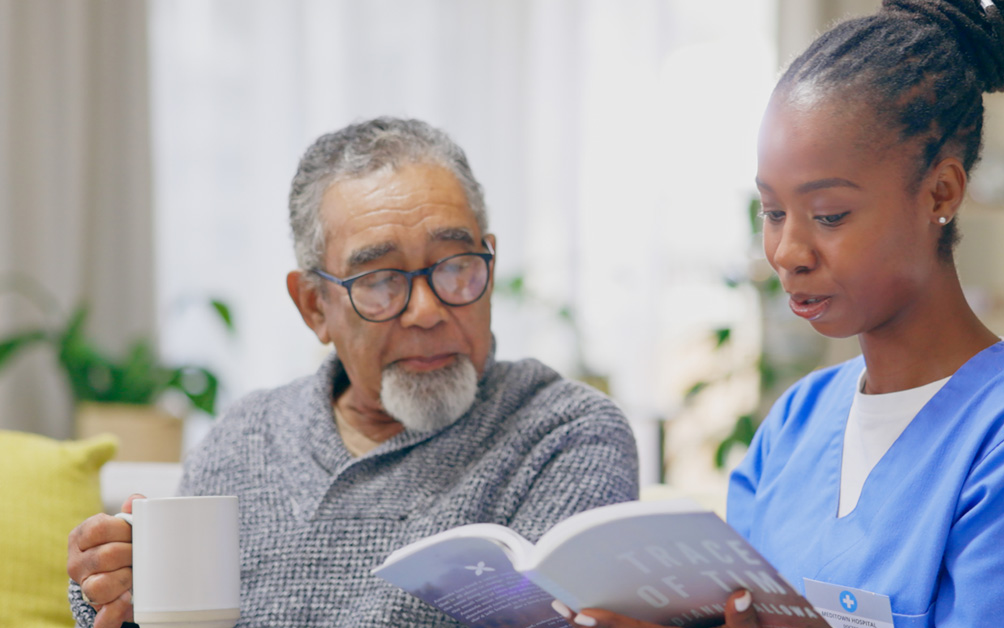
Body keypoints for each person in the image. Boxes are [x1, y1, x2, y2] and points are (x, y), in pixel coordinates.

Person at [553, 1, 1004, 627]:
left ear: (940, 193)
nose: (787, 253)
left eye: (830, 215)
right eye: (772, 212)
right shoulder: (796, 424)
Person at [66, 117, 639, 628]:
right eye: (381, 280)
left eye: (457, 267)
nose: (427, 310)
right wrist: (118, 594)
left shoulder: (564, 434)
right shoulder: (244, 438)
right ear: (315, 306)